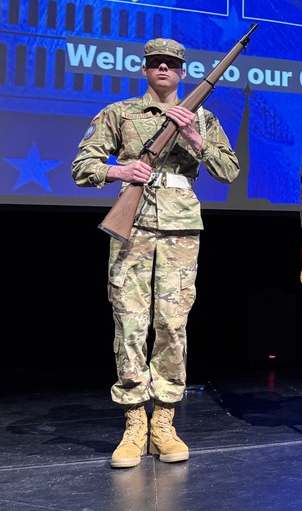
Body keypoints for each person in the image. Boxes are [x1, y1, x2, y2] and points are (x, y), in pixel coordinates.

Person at [71, 37, 240, 468]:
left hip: (181, 231)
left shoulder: (200, 116)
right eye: (155, 63)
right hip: (132, 230)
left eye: (172, 64)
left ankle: (164, 419)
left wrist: (192, 135)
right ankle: (133, 422)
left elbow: (229, 172)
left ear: (183, 73)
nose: (163, 69)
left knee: (171, 324)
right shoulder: (119, 113)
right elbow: (82, 166)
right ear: (145, 70)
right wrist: (119, 169)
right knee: (129, 323)